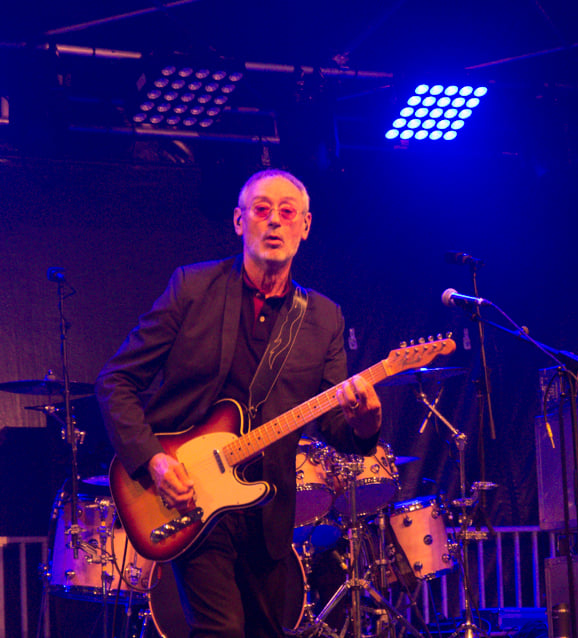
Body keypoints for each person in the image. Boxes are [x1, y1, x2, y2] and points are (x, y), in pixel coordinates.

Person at [96, 168, 382, 637]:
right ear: (238, 220)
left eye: (287, 212)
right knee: (221, 630)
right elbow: (116, 381)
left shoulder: (324, 317)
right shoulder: (191, 288)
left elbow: (336, 425)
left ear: (305, 226)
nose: (275, 221)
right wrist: (154, 462)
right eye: (262, 209)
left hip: (267, 513)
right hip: (190, 499)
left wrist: (366, 423)